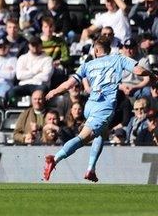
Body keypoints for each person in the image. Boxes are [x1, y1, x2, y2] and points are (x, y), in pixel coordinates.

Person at [43, 35, 157, 182]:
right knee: (83, 138)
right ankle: (55, 159)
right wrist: (152, 74)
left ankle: (91, 169)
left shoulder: (87, 65)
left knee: (101, 134)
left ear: (96, 50)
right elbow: (139, 71)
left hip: (90, 105)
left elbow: (68, 84)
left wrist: (54, 91)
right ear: (108, 50)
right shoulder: (118, 58)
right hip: (104, 106)